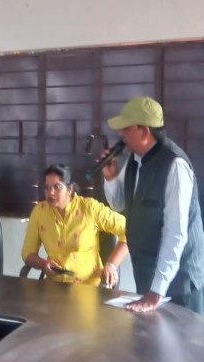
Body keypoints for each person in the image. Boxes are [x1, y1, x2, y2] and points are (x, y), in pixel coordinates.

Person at [102, 96, 204, 314]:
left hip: (179, 285)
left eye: (126, 128)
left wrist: (157, 290)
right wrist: (110, 178)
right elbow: (119, 203)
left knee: (183, 336)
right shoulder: (134, 161)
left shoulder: (174, 165)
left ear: (144, 131)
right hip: (149, 281)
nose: (121, 135)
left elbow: (175, 233)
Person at [21, 164, 128, 287]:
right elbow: (27, 253)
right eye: (47, 187)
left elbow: (128, 230)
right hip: (54, 285)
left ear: (70, 189)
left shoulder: (90, 208)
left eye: (57, 186)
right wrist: (44, 264)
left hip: (88, 287)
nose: (51, 192)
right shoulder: (40, 212)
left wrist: (112, 265)